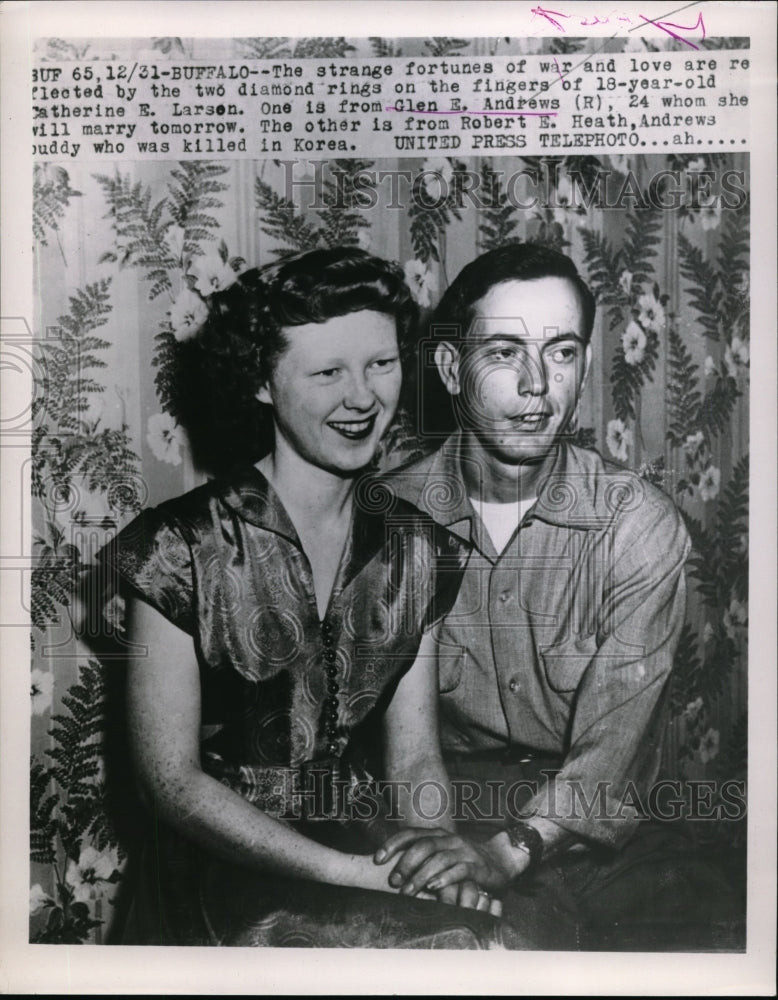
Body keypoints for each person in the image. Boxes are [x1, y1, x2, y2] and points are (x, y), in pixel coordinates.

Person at [98, 247, 516, 948]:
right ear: (263, 383)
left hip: (364, 841)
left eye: (380, 365)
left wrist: (440, 858)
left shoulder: (420, 548)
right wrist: (354, 876)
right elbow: (171, 785)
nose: (362, 398)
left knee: (482, 944)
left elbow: (413, 762)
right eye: (327, 373)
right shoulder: (176, 548)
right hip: (221, 870)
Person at [377, 243, 742, 949]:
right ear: (452, 368)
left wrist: (506, 853)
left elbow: (611, 752)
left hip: (605, 826)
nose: (539, 386)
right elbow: (407, 752)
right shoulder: (391, 519)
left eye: (564, 352)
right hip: (442, 805)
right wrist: (445, 851)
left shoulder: (636, 524)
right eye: (507, 351)